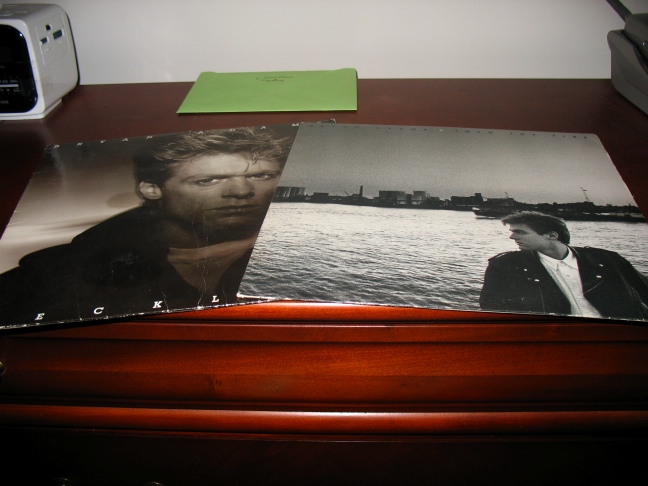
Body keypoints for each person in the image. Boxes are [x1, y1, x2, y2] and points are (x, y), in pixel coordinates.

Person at [0, 125, 297, 327]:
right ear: (151, 189)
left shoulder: (304, 254)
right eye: (208, 180)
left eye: (261, 176)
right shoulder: (63, 270)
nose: (241, 192)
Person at [479, 211, 648, 320]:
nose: (512, 237)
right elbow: (493, 308)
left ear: (552, 235)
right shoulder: (504, 266)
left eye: (520, 232)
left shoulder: (607, 259)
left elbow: (644, 288)